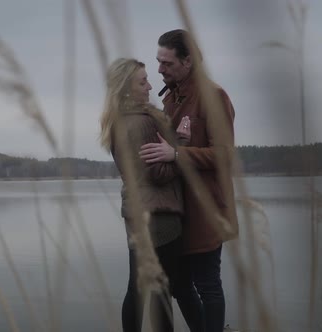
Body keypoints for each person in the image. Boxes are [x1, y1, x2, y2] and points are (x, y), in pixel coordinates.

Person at [139, 29, 239, 332]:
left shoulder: (214, 96)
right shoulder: (170, 97)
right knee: (180, 285)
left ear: (188, 62)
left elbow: (224, 155)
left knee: (208, 284)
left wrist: (177, 154)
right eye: (158, 61)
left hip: (207, 208)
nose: (159, 69)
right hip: (177, 210)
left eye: (167, 63)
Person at [99, 58, 197, 332]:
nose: (150, 86)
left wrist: (176, 145)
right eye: (142, 82)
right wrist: (181, 152)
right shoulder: (143, 122)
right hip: (159, 216)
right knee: (160, 292)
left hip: (136, 214)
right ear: (126, 89)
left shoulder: (119, 122)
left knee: (138, 288)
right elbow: (157, 173)